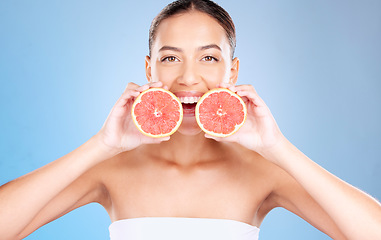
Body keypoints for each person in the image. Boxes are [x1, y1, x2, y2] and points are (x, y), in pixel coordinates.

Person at [0, 0, 380, 239]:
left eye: (209, 58)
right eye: (170, 58)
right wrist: (101, 145)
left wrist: (278, 148)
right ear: (149, 67)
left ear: (232, 72)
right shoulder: (109, 168)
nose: (188, 78)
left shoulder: (263, 171)